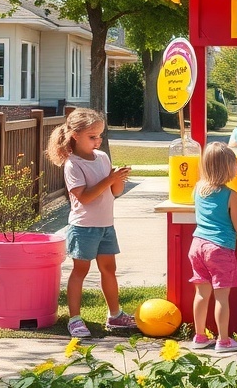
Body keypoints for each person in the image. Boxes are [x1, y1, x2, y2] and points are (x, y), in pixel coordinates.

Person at [46, 108, 134, 338]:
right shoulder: (73, 165)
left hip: (106, 225)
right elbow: (84, 197)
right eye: (92, 137)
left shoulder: (102, 158)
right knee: (80, 271)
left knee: (109, 269)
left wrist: (118, 179)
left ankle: (115, 315)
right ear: (75, 135)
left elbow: (114, 191)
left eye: (100, 136)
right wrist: (109, 179)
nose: (98, 141)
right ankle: (74, 319)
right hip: (83, 227)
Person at [188, 142, 237, 353]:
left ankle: (199, 337)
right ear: (228, 169)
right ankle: (223, 341)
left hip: (197, 245)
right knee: (221, 297)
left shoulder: (198, 189)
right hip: (219, 249)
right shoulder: (231, 195)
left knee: (201, 294)